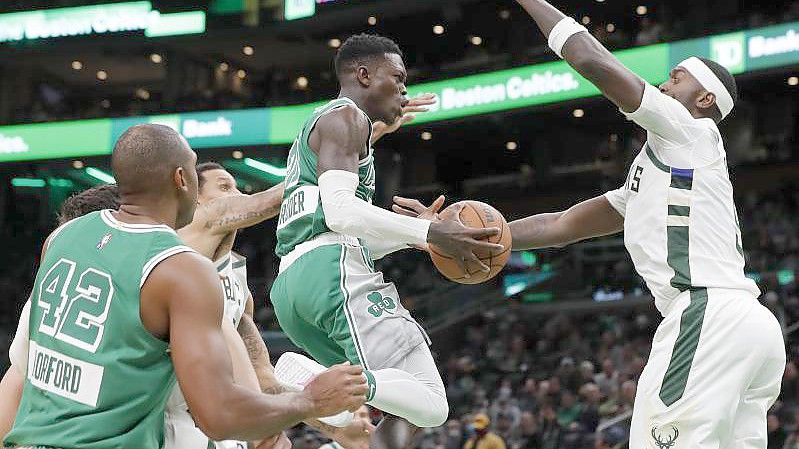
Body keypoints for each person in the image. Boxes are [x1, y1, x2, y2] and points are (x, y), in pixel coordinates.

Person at [399, 0, 786, 446]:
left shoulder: (690, 131)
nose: (663, 82)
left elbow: (589, 59)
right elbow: (562, 225)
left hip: (708, 315)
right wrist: (455, 236)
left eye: (676, 78)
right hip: (751, 327)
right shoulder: (665, 169)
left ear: (704, 99)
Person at [3, 124, 368, 449]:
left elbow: (19, 377)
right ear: (182, 179)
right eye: (195, 168)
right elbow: (219, 414)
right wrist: (312, 402)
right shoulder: (182, 270)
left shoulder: (62, 238)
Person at [269, 32, 505, 449]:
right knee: (432, 403)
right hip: (331, 277)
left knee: (377, 408)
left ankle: (324, 397)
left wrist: (414, 239)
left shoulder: (324, 125)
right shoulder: (346, 118)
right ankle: (311, 379)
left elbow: (336, 228)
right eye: (396, 77)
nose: (403, 87)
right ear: (363, 75)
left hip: (295, 285)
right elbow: (342, 211)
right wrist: (430, 231)